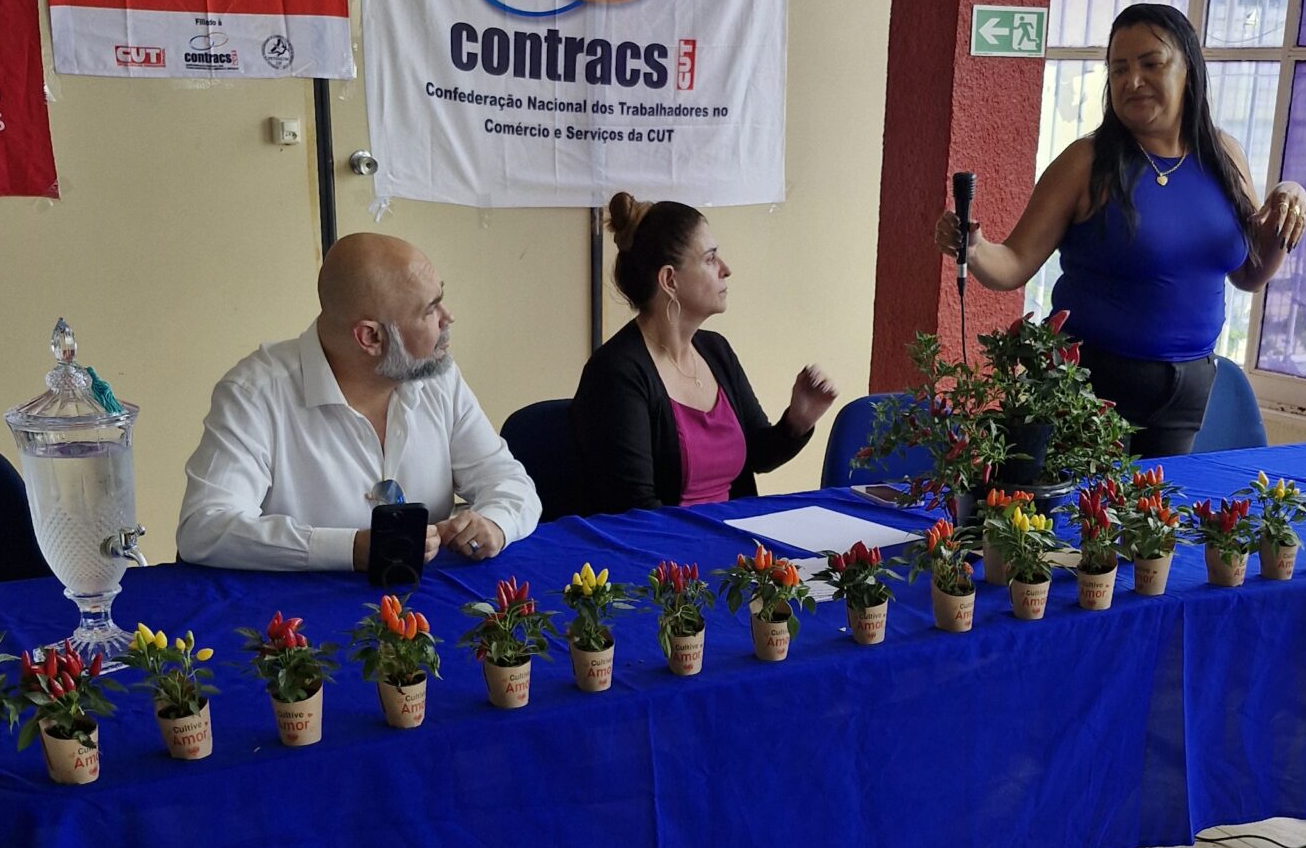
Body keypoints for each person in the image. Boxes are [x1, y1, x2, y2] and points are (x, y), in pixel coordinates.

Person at [935, 3, 1306, 455]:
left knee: (1155, 503)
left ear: (1188, 70)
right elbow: (1013, 264)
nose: (1132, 81)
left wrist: (1291, 199)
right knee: (1082, 503)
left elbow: (1249, 274)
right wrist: (974, 248)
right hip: (1087, 387)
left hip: (1186, 392)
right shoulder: (1086, 162)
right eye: (1118, 69)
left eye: (1151, 64)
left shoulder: (1223, 155)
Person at [176, 230, 539, 571]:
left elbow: (508, 481)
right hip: (298, 607)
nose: (448, 317)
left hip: (423, 599)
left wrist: (494, 523)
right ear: (371, 338)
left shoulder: (436, 376)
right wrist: (349, 549)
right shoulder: (254, 393)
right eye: (431, 310)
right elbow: (205, 528)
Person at [572, 193, 837, 509]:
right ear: (669, 280)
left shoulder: (716, 350)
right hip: (668, 540)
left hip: (731, 533)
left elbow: (757, 454)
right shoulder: (615, 373)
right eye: (710, 259)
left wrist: (797, 421)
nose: (726, 269)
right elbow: (635, 509)